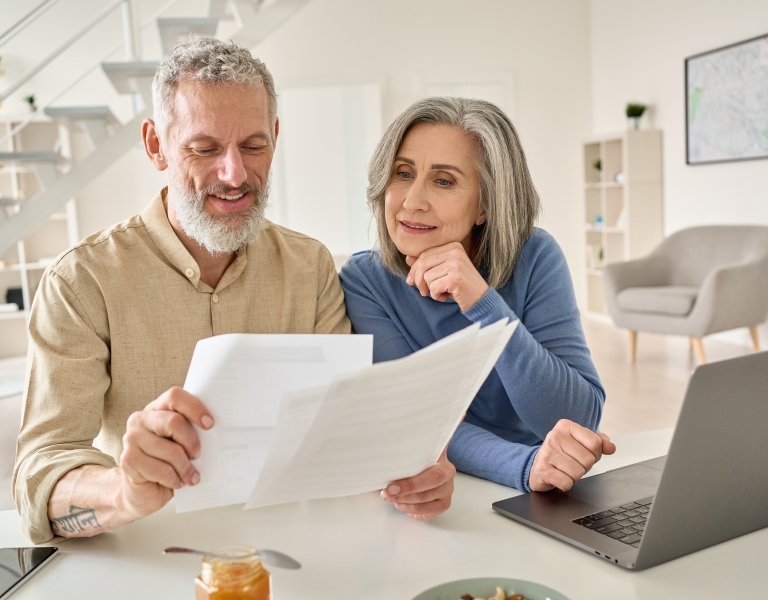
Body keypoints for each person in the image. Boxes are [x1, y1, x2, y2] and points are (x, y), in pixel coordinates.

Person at [13, 38, 452, 544]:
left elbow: (345, 429)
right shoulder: (81, 282)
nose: (235, 174)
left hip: (298, 553)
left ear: (276, 136)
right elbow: (40, 472)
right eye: (204, 149)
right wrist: (122, 491)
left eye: (253, 145)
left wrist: (412, 466)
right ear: (156, 145)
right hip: (148, 558)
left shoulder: (309, 267)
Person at [340, 97, 616, 500]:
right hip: (440, 487)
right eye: (402, 173)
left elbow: (578, 417)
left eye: (443, 180)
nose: (412, 200)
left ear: (485, 204)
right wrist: (523, 466)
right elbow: (416, 420)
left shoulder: (535, 256)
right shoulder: (365, 280)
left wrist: (483, 303)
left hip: (543, 487)